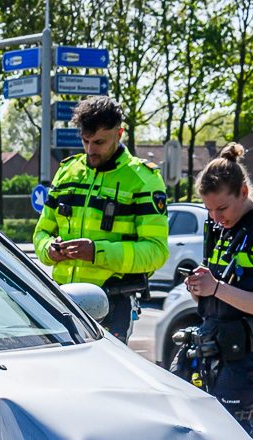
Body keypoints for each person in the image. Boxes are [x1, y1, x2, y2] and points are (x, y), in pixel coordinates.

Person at [32, 96, 168, 341]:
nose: (90, 150)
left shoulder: (144, 179)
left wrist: (96, 252)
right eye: (85, 141)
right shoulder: (67, 172)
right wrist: (49, 250)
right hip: (62, 300)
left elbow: (156, 252)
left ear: (120, 133)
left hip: (112, 304)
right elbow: (41, 233)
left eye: (99, 142)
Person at [179, 143, 253, 424]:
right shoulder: (221, 227)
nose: (216, 218)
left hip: (238, 358)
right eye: (209, 210)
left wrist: (215, 287)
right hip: (206, 345)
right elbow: (216, 298)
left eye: (222, 208)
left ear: (243, 192)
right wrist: (199, 289)